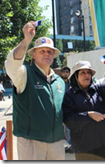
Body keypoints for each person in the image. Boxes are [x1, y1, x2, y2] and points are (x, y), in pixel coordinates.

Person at [4, 21, 65, 160]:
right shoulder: (25, 74)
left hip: (56, 142)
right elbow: (12, 64)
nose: (46, 54)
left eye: (50, 51)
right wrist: (26, 40)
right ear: (33, 55)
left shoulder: (59, 81)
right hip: (31, 141)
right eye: (42, 51)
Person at [62, 58, 105, 160]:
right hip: (83, 147)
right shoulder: (69, 95)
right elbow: (69, 119)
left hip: (102, 143)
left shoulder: (98, 89)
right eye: (82, 73)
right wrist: (88, 115)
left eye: (89, 72)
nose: (87, 75)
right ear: (75, 76)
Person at [60, 66, 73, 153]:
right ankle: (60, 147)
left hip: (69, 109)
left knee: (68, 128)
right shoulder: (58, 82)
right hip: (59, 108)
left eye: (67, 72)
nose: (65, 73)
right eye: (64, 71)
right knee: (59, 128)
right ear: (61, 73)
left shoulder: (71, 83)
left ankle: (69, 146)